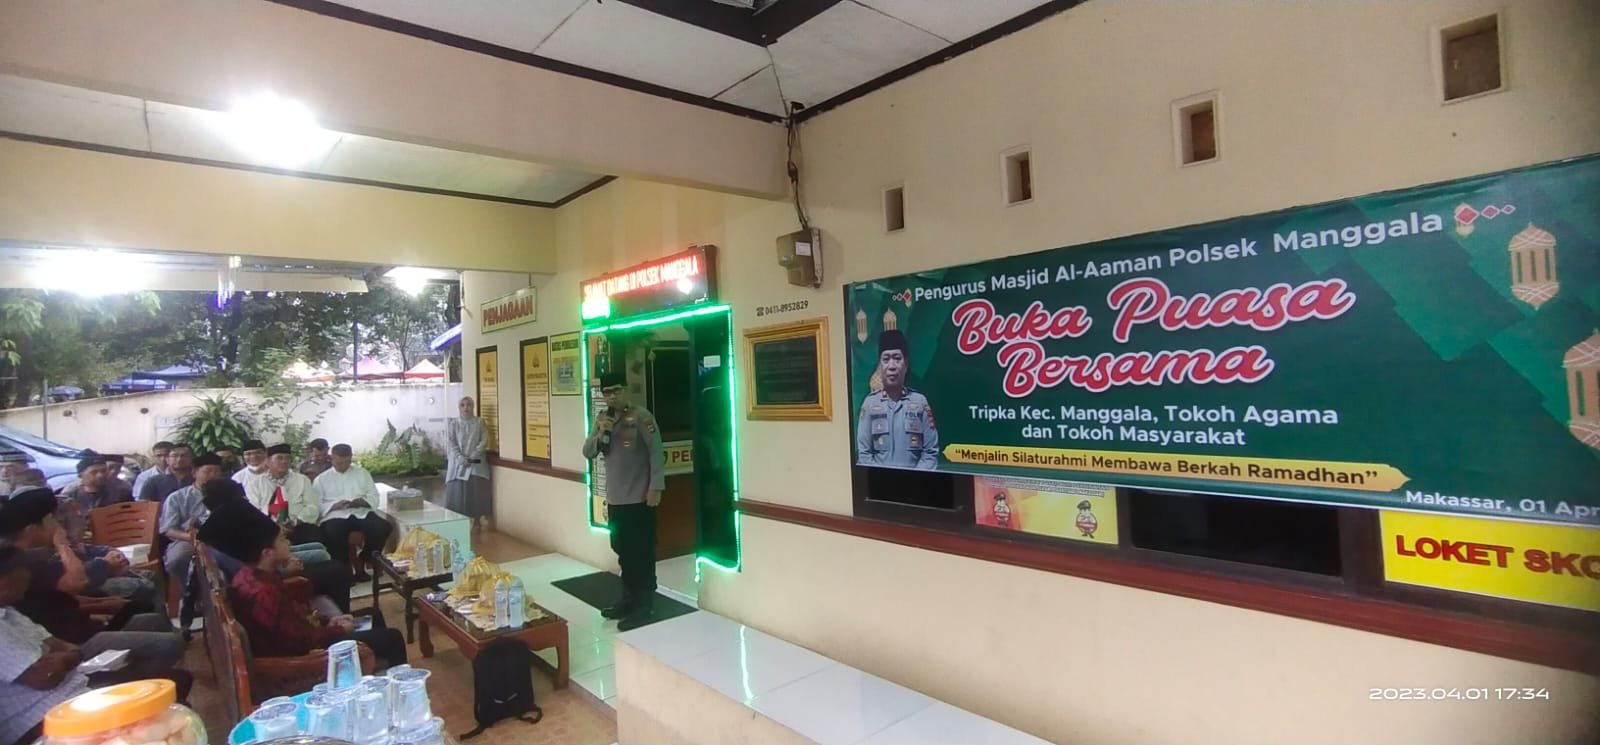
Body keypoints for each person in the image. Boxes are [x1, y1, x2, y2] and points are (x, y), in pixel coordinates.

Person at [0, 545, 192, 745]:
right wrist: (61, 659)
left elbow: (66, 648)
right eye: (23, 570)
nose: (28, 576)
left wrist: (62, 659)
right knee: (170, 706)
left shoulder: (11, 614)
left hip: (77, 690)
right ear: (5, 578)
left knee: (175, 683)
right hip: (46, 719)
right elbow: (45, 677)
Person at [0, 490, 187, 683]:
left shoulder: (33, 556)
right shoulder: (21, 563)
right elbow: (77, 582)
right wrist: (61, 542)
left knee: (152, 620)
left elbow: (56, 601)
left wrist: (102, 605)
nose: (58, 524)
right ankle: (127, 686)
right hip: (77, 641)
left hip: (78, 633)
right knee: (169, 643)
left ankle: (153, 678)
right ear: (32, 529)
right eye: (51, 521)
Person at [220, 503, 406, 669]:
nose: (288, 543)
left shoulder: (256, 575)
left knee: (374, 616)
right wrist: (338, 630)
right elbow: (298, 642)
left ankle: (374, 674)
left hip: (310, 635)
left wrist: (328, 620)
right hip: (305, 661)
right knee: (392, 638)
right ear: (267, 553)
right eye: (282, 540)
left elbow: (296, 616)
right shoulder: (263, 592)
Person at [582, 372, 664, 631]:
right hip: (616, 499)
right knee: (622, 549)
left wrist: (655, 487)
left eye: (616, 391)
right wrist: (600, 432)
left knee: (641, 552)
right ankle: (628, 599)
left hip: (640, 498)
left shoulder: (641, 416)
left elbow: (656, 452)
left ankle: (645, 605)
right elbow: (588, 451)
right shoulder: (602, 419)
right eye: (607, 392)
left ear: (626, 390)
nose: (612, 396)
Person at [199, 479, 350, 614]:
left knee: (327, 560)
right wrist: (284, 570)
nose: (245, 501)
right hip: (268, 583)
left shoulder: (219, 524)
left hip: (265, 574)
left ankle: (336, 616)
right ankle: (343, 621)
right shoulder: (224, 524)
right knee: (336, 570)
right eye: (242, 498)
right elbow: (250, 571)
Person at [855, 329, 940, 470]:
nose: (892, 366)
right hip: (879, 481)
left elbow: (930, 452)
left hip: (916, 482)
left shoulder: (920, 403)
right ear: (880, 366)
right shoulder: (870, 404)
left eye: (897, 358)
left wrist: (914, 479)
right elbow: (864, 453)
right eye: (886, 359)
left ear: (905, 364)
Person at [313, 444, 391, 578]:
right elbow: (316, 504)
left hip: (360, 512)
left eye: (346, 462)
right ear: (332, 459)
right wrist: (334, 505)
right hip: (335, 515)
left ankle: (365, 557)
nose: (343, 466)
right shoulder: (321, 479)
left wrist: (361, 502)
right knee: (333, 532)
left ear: (350, 458)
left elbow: (373, 496)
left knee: (383, 527)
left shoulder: (362, 473)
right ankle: (344, 569)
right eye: (339, 462)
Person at [244, 444, 323, 546]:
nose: (284, 461)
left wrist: (296, 521)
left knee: (313, 536)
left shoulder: (302, 480)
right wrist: (273, 525)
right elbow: (253, 511)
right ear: (268, 461)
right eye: (279, 458)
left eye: (287, 458)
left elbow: (313, 506)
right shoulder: (256, 483)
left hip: (298, 524)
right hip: (268, 526)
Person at [445, 396, 492, 529]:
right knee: (459, 494)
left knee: (476, 491)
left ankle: (476, 520)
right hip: (458, 464)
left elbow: (484, 440)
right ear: (459, 408)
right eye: (463, 405)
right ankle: (459, 522)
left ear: (473, 407)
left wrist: (472, 456)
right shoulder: (453, 424)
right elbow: (451, 442)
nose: (466, 408)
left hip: (475, 464)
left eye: (469, 405)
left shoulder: (479, 422)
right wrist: (460, 458)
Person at [60, 457, 131, 513]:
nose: (100, 475)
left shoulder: (121, 493)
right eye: (94, 472)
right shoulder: (70, 493)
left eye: (103, 471)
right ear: (81, 475)